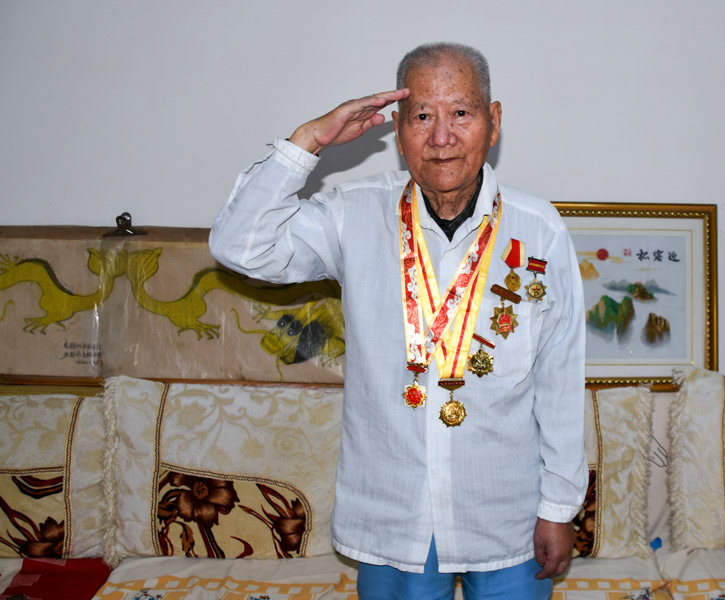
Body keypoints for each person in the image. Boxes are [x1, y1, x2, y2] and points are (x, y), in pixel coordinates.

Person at [210, 42, 587, 599]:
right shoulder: (354, 214)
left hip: (505, 514)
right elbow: (238, 246)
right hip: (394, 518)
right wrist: (307, 141)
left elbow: (560, 379)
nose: (442, 136)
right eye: (422, 116)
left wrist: (558, 507)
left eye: (461, 112)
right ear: (397, 128)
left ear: (493, 121)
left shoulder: (539, 229)